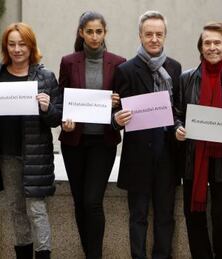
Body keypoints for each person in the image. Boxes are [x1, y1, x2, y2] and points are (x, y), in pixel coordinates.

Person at [175, 22, 222, 259]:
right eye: (207, 43)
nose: (212, 47)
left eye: (218, 43)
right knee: (193, 218)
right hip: (192, 159)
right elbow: (176, 113)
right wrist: (178, 128)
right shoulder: (186, 79)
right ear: (201, 47)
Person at [113, 10, 181, 259]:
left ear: (165, 36)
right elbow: (117, 112)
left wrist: (179, 128)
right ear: (140, 36)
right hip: (138, 155)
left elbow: (177, 111)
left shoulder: (175, 68)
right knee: (138, 216)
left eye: (159, 34)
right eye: (149, 34)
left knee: (165, 216)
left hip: (168, 153)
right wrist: (117, 119)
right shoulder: (126, 70)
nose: (154, 39)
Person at [58, 11, 125, 259]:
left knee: (92, 201)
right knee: (79, 201)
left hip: (103, 141)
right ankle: (89, 254)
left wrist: (118, 103)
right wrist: (63, 119)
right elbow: (60, 99)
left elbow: (124, 105)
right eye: (90, 31)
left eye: (99, 31)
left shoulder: (118, 63)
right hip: (74, 141)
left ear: (105, 32)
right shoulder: (68, 61)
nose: (95, 36)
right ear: (81, 33)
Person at [0, 22, 62, 259]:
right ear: (6, 47)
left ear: (31, 46)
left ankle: (43, 255)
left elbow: (56, 119)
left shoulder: (45, 77)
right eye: (12, 44)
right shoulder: (0, 74)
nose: (17, 49)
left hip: (35, 154)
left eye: (22, 44)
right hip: (7, 154)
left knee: (36, 210)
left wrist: (46, 108)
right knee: (16, 209)